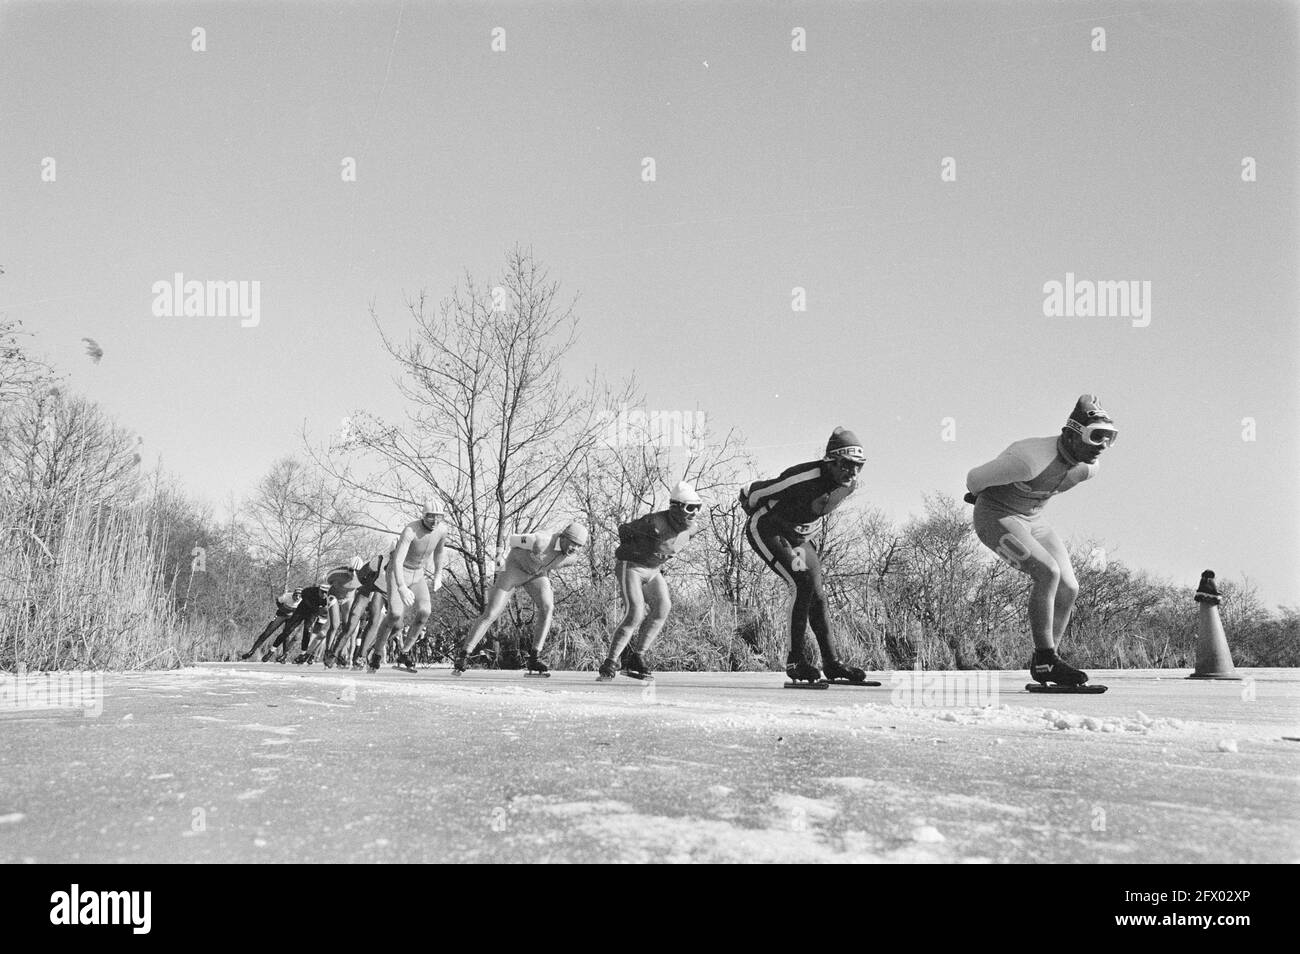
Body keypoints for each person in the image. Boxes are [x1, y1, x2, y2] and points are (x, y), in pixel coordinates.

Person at [965, 394, 1117, 688]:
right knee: (1047, 572)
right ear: (1071, 434)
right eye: (1096, 436)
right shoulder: (1029, 460)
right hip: (996, 516)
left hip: (1033, 520)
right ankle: (1046, 658)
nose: (1102, 447)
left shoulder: (1088, 468)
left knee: (1069, 586)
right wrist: (982, 492)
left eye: (1110, 438)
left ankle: (1048, 662)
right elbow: (973, 480)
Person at [740, 427, 869, 685]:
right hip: (769, 530)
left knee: (817, 594)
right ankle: (795, 661)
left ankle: (832, 663)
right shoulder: (803, 477)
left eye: (859, 466)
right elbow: (753, 493)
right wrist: (751, 504)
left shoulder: (850, 485)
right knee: (802, 584)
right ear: (830, 461)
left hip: (798, 539)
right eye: (847, 464)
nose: (852, 472)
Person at [597, 482, 703, 682]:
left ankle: (637, 657)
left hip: (653, 571)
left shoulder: (693, 529)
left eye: (698, 508)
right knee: (635, 613)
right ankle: (610, 662)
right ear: (676, 508)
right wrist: (636, 549)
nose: (694, 514)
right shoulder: (653, 523)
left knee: (662, 607)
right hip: (632, 566)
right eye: (690, 508)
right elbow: (624, 530)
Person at [454, 522, 589, 675]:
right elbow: (513, 540)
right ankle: (464, 655)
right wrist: (499, 565)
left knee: (548, 607)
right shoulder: (540, 540)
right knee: (491, 613)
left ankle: (534, 657)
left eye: (579, 546)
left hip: (535, 575)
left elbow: (549, 564)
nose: (575, 549)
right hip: (514, 569)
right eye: (573, 544)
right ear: (564, 537)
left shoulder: (572, 558)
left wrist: (546, 582)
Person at [385, 497, 451, 673]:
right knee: (395, 615)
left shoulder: (442, 530)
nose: (435, 521)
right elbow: (398, 561)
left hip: (418, 574)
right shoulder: (410, 530)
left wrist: (438, 574)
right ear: (423, 515)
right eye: (430, 517)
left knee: (425, 611)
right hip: (399, 573)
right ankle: (375, 651)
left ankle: (404, 652)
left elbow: (439, 553)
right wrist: (401, 586)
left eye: (439, 517)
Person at [239, 587, 302, 660]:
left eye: (299, 596)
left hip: (291, 617)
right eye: (295, 595)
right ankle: (251, 651)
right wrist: (282, 608)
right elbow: (277, 600)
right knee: (267, 632)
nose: (297, 598)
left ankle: (284, 655)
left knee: (286, 635)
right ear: (293, 595)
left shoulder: (303, 601)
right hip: (281, 614)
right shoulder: (286, 596)